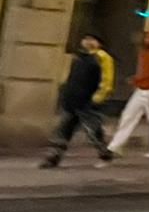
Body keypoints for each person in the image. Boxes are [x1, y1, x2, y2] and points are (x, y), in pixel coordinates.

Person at [40, 33, 114, 168]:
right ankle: (53, 157)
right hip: (73, 100)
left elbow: (106, 80)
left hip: (88, 101)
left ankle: (105, 153)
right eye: (85, 39)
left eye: (92, 39)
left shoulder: (101, 57)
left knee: (93, 131)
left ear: (99, 43)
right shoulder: (78, 58)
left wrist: (98, 97)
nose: (88, 42)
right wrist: (66, 93)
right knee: (63, 130)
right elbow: (71, 78)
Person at [108, 28, 149, 158]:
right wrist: (140, 80)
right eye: (147, 38)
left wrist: (139, 80)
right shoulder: (147, 53)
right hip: (147, 88)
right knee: (130, 115)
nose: (146, 40)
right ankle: (115, 146)